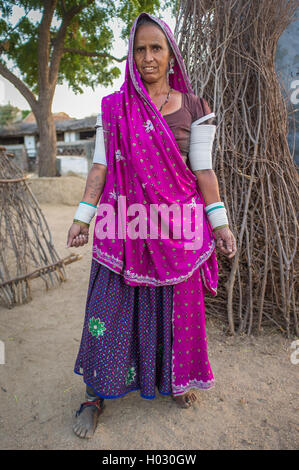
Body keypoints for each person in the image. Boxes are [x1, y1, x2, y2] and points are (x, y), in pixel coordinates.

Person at [66, 12, 237, 439]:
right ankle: (94, 396)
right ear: (131, 55)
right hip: (123, 228)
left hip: (177, 229)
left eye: (156, 48)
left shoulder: (196, 107)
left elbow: (204, 171)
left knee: (178, 310)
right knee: (109, 310)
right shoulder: (115, 106)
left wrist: (221, 226)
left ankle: (175, 381)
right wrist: (83, 216)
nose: (147, 57)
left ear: (171, 54)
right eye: (139, 49)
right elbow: (101, 165)